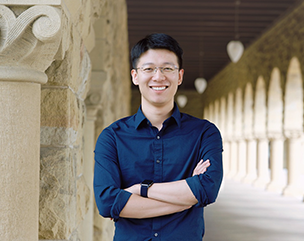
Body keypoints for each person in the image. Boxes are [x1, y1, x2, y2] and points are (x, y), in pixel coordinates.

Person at [93, 33, 223, 241]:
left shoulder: (204, 133)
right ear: (135, 76)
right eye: (149, 68)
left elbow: (207, 189)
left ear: (179, 76)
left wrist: (139, 190)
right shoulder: (112, 137)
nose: (158, 76)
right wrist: (187, 197)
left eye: (167, 68)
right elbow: (108, 203)